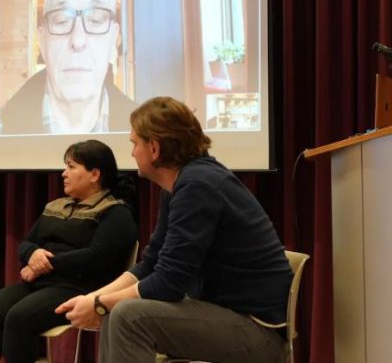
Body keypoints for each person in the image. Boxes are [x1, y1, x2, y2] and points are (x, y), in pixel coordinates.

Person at [56, 97, 293, 363]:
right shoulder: (182, 184)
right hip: (225, 315)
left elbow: (169, 283)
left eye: (135, 143)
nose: (132, 152)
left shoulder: (198, 185)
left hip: (258, 332)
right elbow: (152, 263)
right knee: (117, 311)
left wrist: (100, 305)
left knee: (127, 316)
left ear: (154, 148)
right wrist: (96, 298)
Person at [0, 140, 138, 363]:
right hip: (41, 284)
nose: (63, 174)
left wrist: (44, 265)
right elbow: (27, 243)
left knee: (20, 317)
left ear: (94, 174)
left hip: (79, 288)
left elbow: (97, 257)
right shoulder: (56, 206)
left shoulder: (116, 213)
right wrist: (32, 255)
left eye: (71, 167)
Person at [0, 0, 138, 135]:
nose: (78, 40)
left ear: (113, 40)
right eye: (62, 20)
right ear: (42, 41)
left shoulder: (147, 136)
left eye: (95, 19)